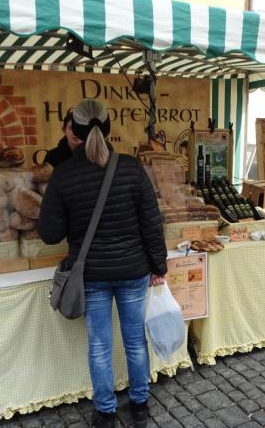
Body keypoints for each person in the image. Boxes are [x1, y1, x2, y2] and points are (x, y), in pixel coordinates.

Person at [37, 100, 167, 428]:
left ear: (74, 134)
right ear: (108, 129)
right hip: (133, 269)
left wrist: (70, 215)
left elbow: (50, 233)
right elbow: (152, 222)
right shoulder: (131, 167)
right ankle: (140, 403)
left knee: (99, 344)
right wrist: (159, 266)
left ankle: (105, 410)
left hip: (91, 273)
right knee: (135, 339)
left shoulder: (64, 175)